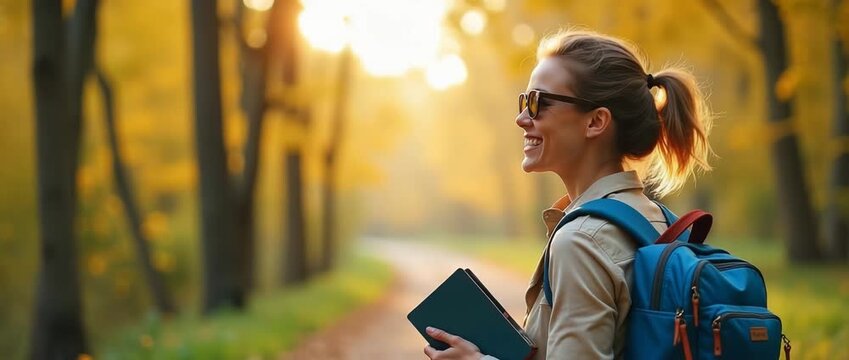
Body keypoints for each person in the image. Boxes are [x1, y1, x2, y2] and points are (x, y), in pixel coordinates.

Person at [423, 29, 713, 360]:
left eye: (537, 103)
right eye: (523, 101)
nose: (521, 119)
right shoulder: (662, 222)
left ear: (596, 122)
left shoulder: (581, 242)